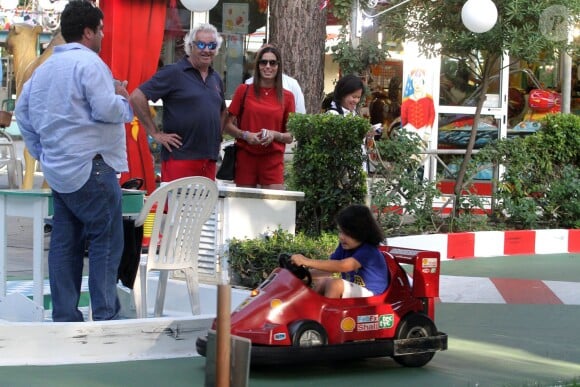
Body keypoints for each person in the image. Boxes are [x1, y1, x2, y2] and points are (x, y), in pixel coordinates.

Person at [15, 0, 133, 322]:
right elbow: (105, 109)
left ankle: (65, 316)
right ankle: (106, 316)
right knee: (105, 242)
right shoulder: (90, 64)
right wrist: (124, 101)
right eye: (101, 30)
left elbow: (22, 116)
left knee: (65, 244)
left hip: (60, 170)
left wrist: (42, 153)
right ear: (88, 32)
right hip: (93, 166)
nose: (104, 36)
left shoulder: (43, 70)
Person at [129, 23, 226, 182]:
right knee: (176, 207)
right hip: (180, 158)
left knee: (203, 207)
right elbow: (137, 97)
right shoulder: (174, 72)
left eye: (212, 45)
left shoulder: (215, 78)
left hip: (208, 160)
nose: (206, 50)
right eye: (201, 44)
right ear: (190, 46)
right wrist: (155, 133)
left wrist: (216, 137)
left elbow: (222, 111)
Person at [224, 45, 295, 190]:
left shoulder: (287, 96)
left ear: (278, 66)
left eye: (273, 63)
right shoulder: (243, 90)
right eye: (263, 62)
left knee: (274, 207)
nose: (268, 66)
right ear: (257, 65)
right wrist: (245, 135)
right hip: (245, 157)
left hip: (272, 160)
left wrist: (274, 135)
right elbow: (226, 125)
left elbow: (290, 135)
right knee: (244, 207)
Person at [290, 204, 388, 298]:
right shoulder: (344, 247)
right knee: (323, 282)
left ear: (362, 233)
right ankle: (308, 310)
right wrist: (302, 274)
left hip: (373, 295)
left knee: (335, 285)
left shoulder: (368, 251)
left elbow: (342, 266)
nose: (341, 237)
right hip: (354, 290)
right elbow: (328, 270)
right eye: (340, 231)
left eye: (347, 233)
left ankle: (327, 314)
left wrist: (306, 261)